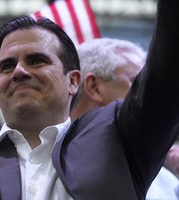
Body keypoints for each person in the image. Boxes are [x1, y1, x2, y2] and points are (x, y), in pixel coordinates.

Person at [0, 0, 179, 199]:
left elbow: (166, 73)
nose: (18, 71)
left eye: (37, 60)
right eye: (6, 66)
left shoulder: (119, 137)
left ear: (73, 81)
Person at [70, 38, 179, 200]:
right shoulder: (44, 164)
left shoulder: (168, 181)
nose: (151, 98)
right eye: (138, 85)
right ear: (94, 87)